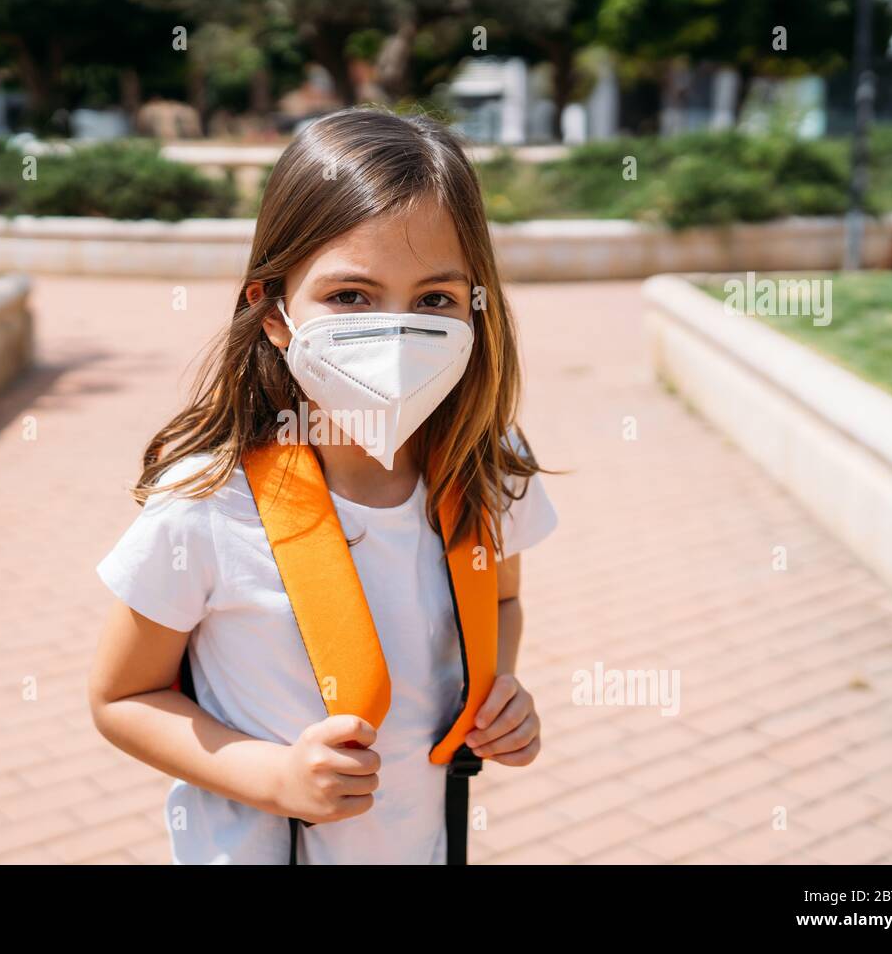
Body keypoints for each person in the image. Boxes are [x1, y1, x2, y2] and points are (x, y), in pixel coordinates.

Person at [88, 107, 558, 864]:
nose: (396, 335)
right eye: (351, 298)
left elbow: (499, 599)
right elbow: (121, 698)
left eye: (435, 299)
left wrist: (499, 693)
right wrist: (272, 776)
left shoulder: (487, 464)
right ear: (273, 312)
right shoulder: (208, 500)